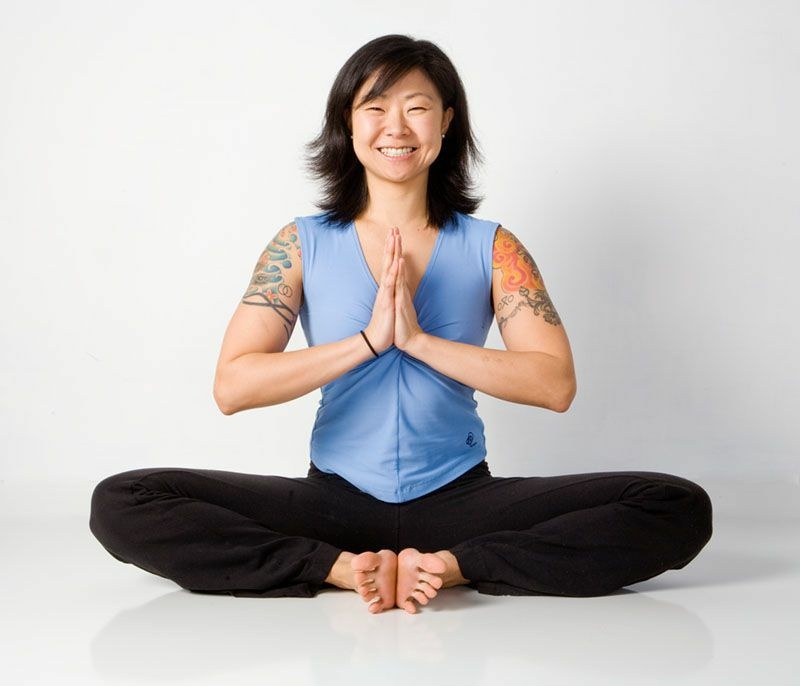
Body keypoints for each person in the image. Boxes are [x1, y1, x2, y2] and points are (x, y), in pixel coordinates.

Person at [89, 34, 712, 615]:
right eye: (375, 107)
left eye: (417, 108)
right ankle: (336, 567)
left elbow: (555, 385)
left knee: (676, 505)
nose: (396, 127)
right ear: (348, 122)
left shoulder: (494, 247)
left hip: (460, 500)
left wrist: (419, 341)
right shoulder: (299, 244)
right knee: (123, 501)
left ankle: (454, 567)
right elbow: (233, 387)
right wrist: (368, 342)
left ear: (446, 123)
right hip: (333, 503)